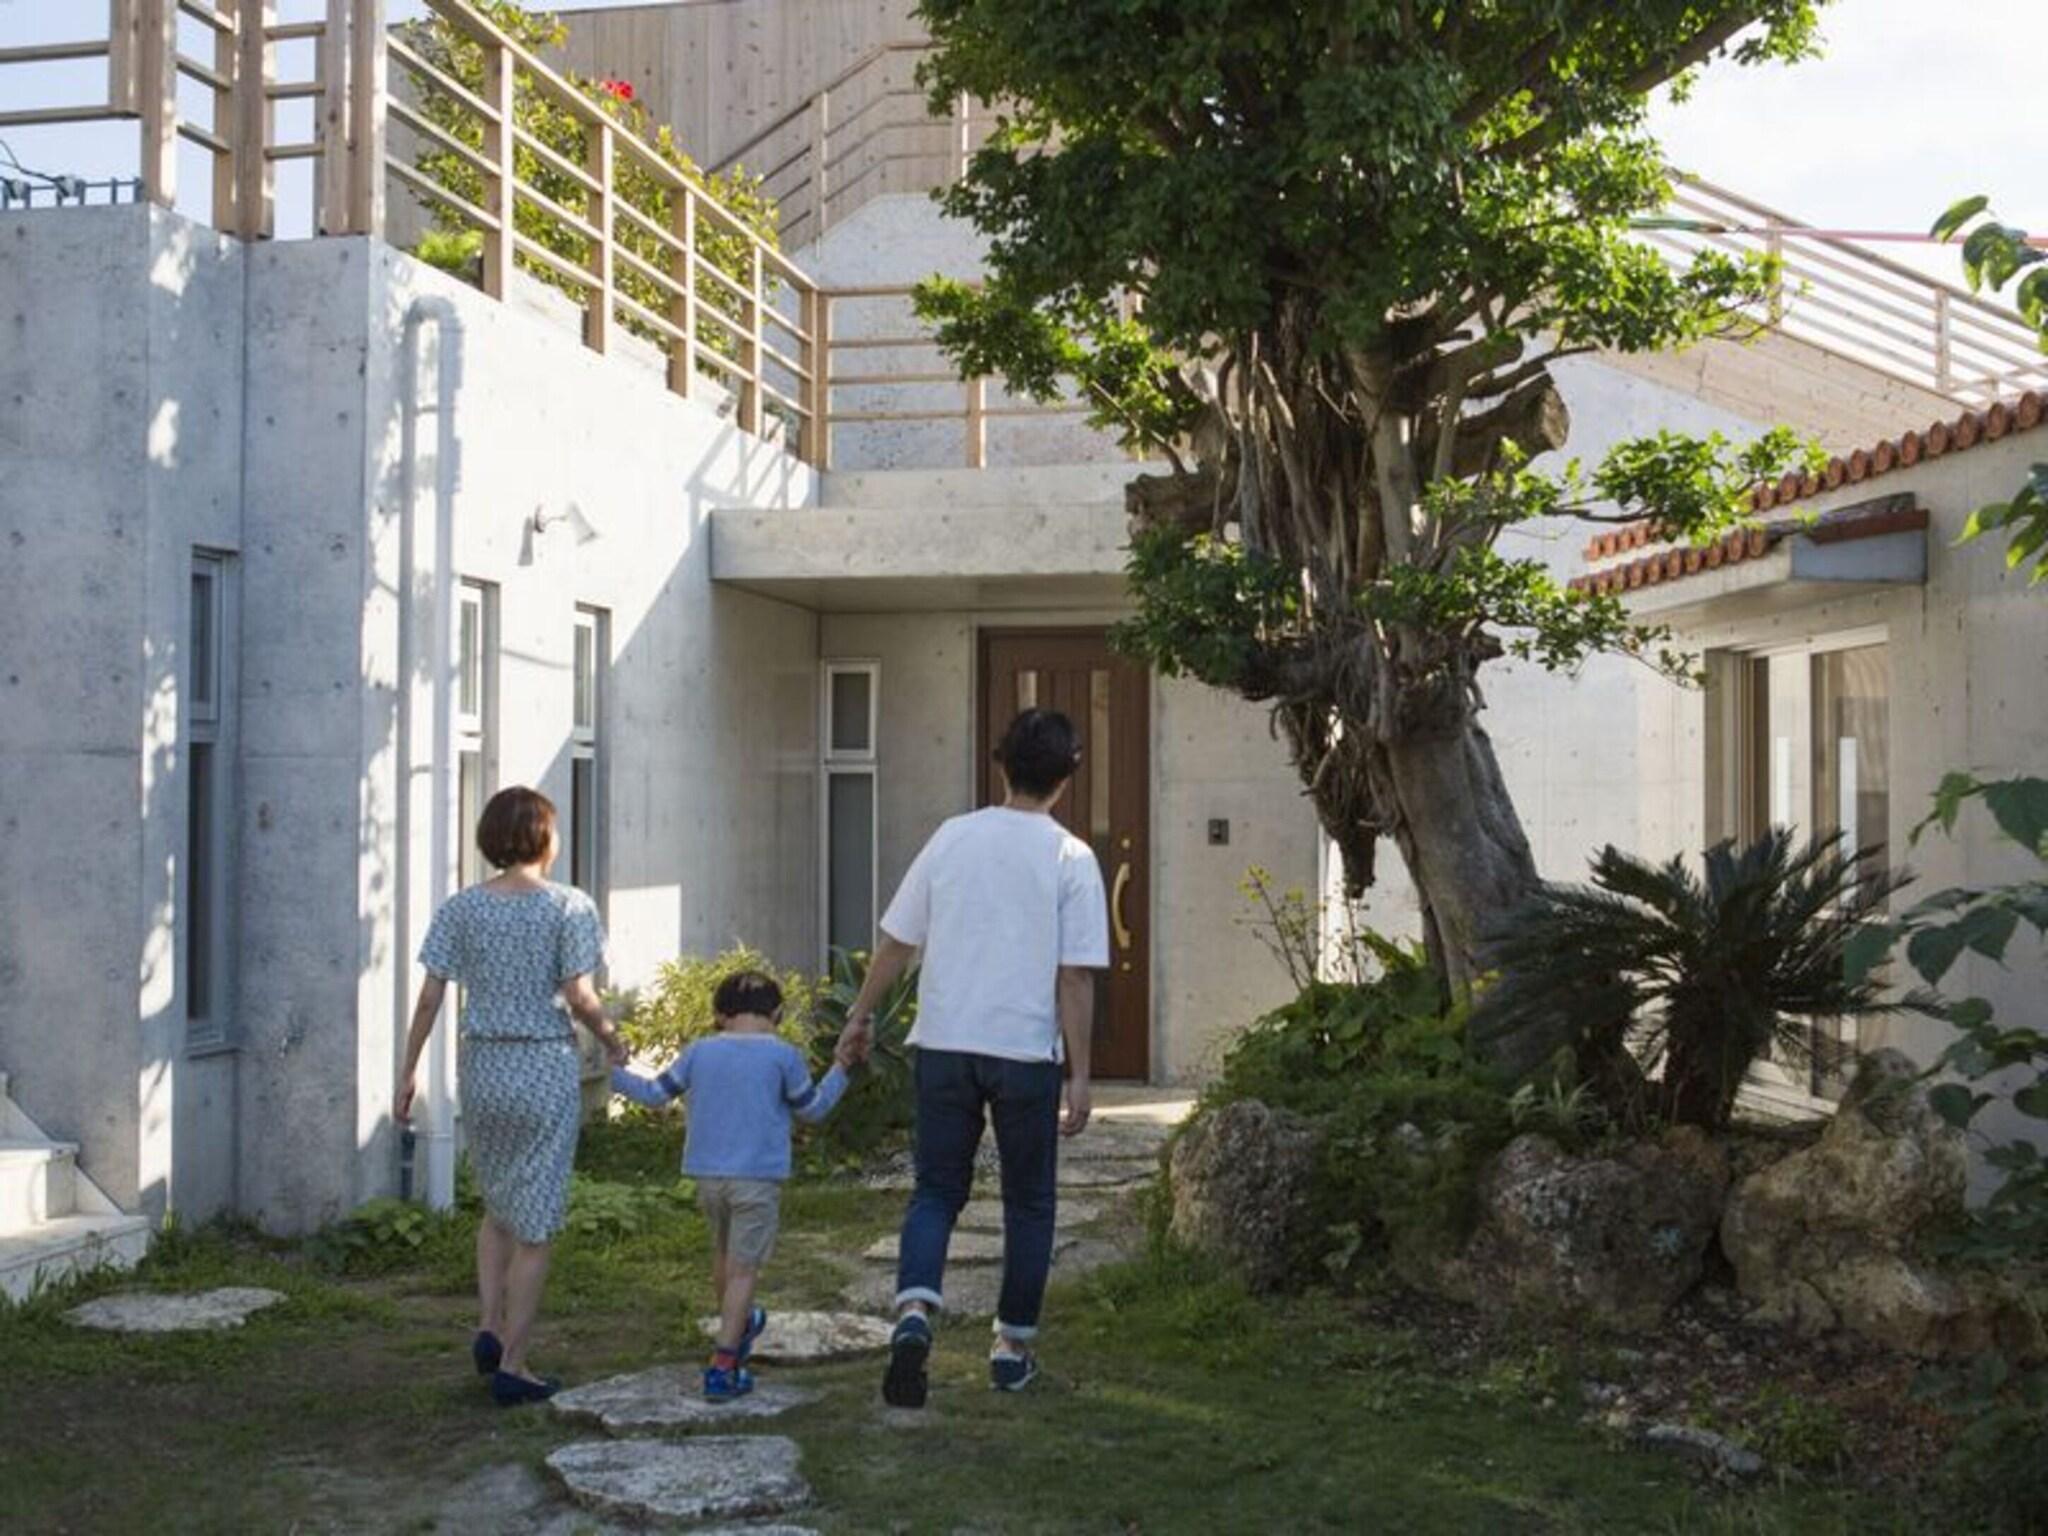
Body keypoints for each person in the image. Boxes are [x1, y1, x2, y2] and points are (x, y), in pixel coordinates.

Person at [842, 707, 1110, 1407]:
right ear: (1067, 777)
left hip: (944, 1044)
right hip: (1024, 1053)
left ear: (1001, 765)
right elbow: (1076, 974)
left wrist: (860, 1016)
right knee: (1028, 1202)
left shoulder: (952, 838)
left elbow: (898, 940)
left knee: (935, 1190)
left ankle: (912, 1316)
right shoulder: (1071, 857)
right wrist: (1080, 1074)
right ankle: (1011, 1348)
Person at [395, 785, 625, 1407]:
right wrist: (611, 1038)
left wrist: (408, 1071)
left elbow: (428, 997)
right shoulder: (568, 906)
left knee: (498, 1208)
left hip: (484, 1066)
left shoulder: (461, 908)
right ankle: (516, 1364)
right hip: (543, 1064)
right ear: (544, 838)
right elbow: (578, 996)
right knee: (537, 1226)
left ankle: (488, 1327)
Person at [612, 970, 864, 1399]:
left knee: (725, 1257)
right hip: (758, 1178)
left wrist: (614, 1071)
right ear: (778, 1013)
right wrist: (842, 1067)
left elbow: (656, 1094)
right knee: (745, 1269)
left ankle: (737, 1321)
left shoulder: (700, 1051)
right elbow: (813, 1110)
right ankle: (725, 1361)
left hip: (708, 1177)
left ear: (718, 1014)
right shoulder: (782, 1056)